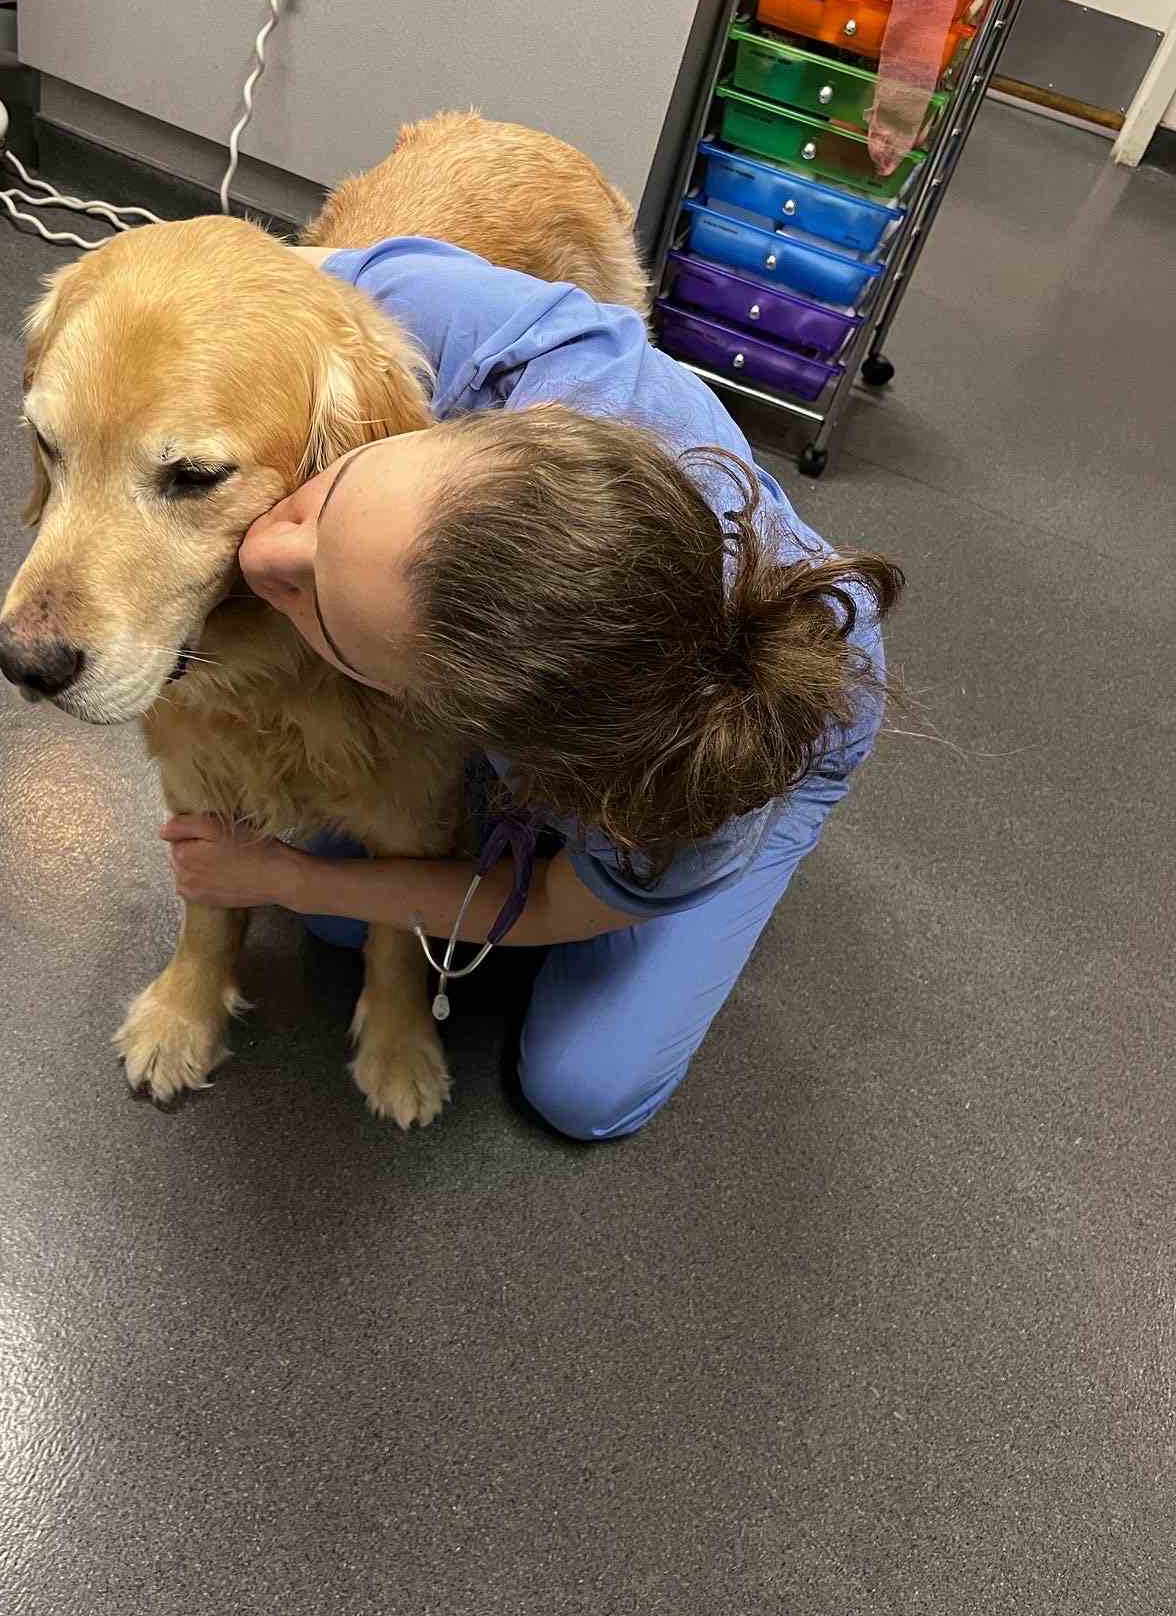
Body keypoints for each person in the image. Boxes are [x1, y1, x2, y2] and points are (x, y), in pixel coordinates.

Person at [161, 238, 903, 1141]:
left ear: (457, 718)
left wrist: (288, 875)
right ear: (459, 437)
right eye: (331, 502)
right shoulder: (492, 340)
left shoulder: (676, 816)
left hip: (773, 735)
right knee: (337, 935)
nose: (262, 554)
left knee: (584, 1090)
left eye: (315, 609)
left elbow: (554, 904)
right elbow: (255, 283)